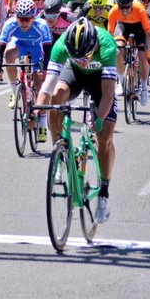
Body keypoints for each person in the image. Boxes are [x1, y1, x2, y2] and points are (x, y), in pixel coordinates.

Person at [33, 18, 117, 224]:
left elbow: (107, 94)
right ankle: (60, 152)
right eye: (75, 56)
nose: (81, 60)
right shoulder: (61, 44)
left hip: (100, 81)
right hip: (75, 77)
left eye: (85, 56)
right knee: (56, 98)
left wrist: (99, 118)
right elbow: (47, 86)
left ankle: (104, 193)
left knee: (104, 136)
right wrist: (37, 113)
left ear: (94, 46)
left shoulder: (107, 45)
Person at [0, 0, 53, 142]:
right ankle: (15, 90)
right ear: (16, 17)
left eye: (28, 19)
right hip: (19, 44)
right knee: (9, 54)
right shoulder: (10, 24)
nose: (24, 23)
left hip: (37, 48)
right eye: (21, 19)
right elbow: (0, 48)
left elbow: (48, 49)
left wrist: (44, 70)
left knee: (40, 85)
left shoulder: (42, 25)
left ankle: (43, 124)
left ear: (34, 17)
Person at [107, 0, 150, 104]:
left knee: (142, 56)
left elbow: (148, 33)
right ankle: (121, 82)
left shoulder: (140, 9)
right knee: (118, 50)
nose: (124, 10)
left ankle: (144, 88)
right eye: (122, 7)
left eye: (127, 7)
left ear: (132, 5)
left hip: (139, 29)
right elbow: (110, 35)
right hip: (123, 28)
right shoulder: (113, 11)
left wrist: (148, 50)